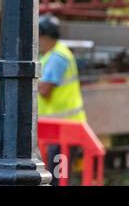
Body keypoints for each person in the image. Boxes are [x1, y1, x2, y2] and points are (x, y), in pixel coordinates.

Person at [38, 14, 87, 185]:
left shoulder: (57, 57)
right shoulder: (52, 55)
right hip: (59, 130)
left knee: (59, 178)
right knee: (57, 176)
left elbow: (44, 90)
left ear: (44, 36)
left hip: (65, 130)